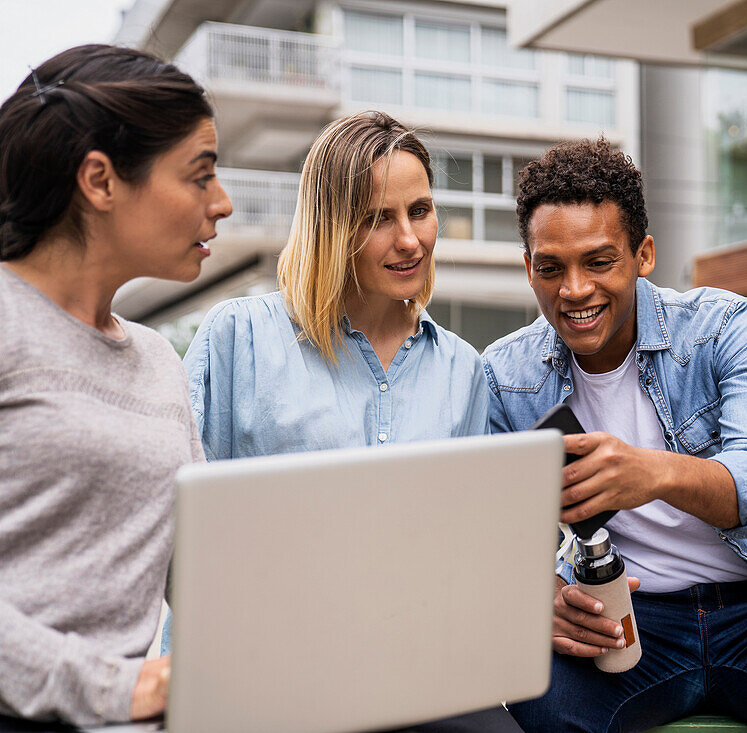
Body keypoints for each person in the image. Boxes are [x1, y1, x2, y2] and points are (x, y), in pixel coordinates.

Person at [481, 138, 747, 733]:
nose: (573, 290)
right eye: (551, 268)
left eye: (599, 262)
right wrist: (541, 592)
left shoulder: (727, 327)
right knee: (544, 704)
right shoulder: (505, 375)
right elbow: (499, 531)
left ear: (643, 254)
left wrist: (652, 473)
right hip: (626, 610)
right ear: (529, 269)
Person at [182, 111, 515, 733]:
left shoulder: (462, 371)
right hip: (259, 671)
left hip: (413, 670)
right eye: (377, 219)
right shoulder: (238, 338)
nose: (410, 238)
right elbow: (186, 537)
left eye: (419, 210)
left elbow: (466, 553)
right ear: (330, 229)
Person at [0, 45, 232, 726]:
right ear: (100, 180)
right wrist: (116, 688)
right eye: (199, 176)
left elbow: (203, 569)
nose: (221, 203)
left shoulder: (160, 359)